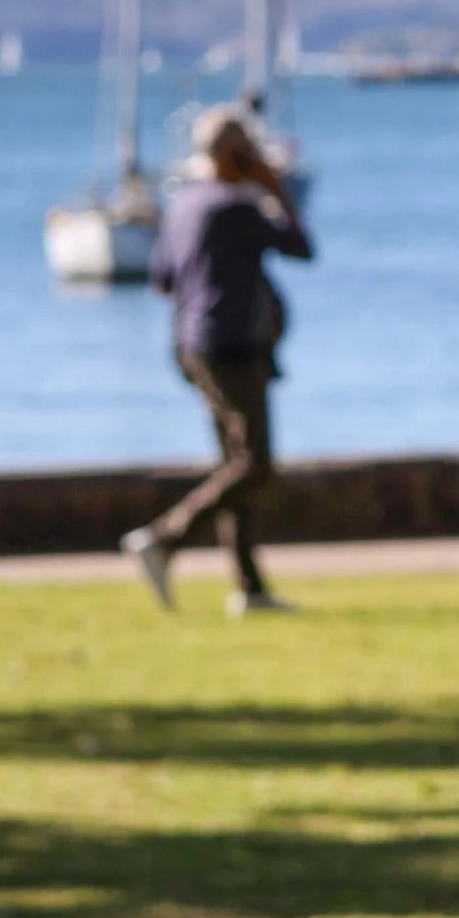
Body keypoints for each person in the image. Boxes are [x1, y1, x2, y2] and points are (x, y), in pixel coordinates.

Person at [121, 111, 315, 614]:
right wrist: (274, 191)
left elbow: (162, 280)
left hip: (191, 346)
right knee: (254, 465)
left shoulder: (183, 205)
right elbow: (301, 246)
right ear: (237, 156)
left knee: (233, 464)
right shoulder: (236, 207)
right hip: (232, 349)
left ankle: (249, 589)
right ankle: (164, 539)